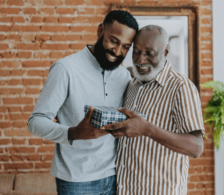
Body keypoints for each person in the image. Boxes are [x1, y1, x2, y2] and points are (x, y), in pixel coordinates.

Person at [28, 10, 138, 195]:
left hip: (114, 176)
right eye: (114, 41)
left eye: (126, 47)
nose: (118, 52)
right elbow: (35, 122)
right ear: (100, 30)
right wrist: (73, 132)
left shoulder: (124, 75)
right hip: (75, 181)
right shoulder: (66, 69)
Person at [102, 25, 205, 195]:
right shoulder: (132, 82)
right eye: (136, 52)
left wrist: (147, 129)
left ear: (165, 52)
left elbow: (196, 148)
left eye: (149, 53)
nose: (140, 60)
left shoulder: (181, 87)